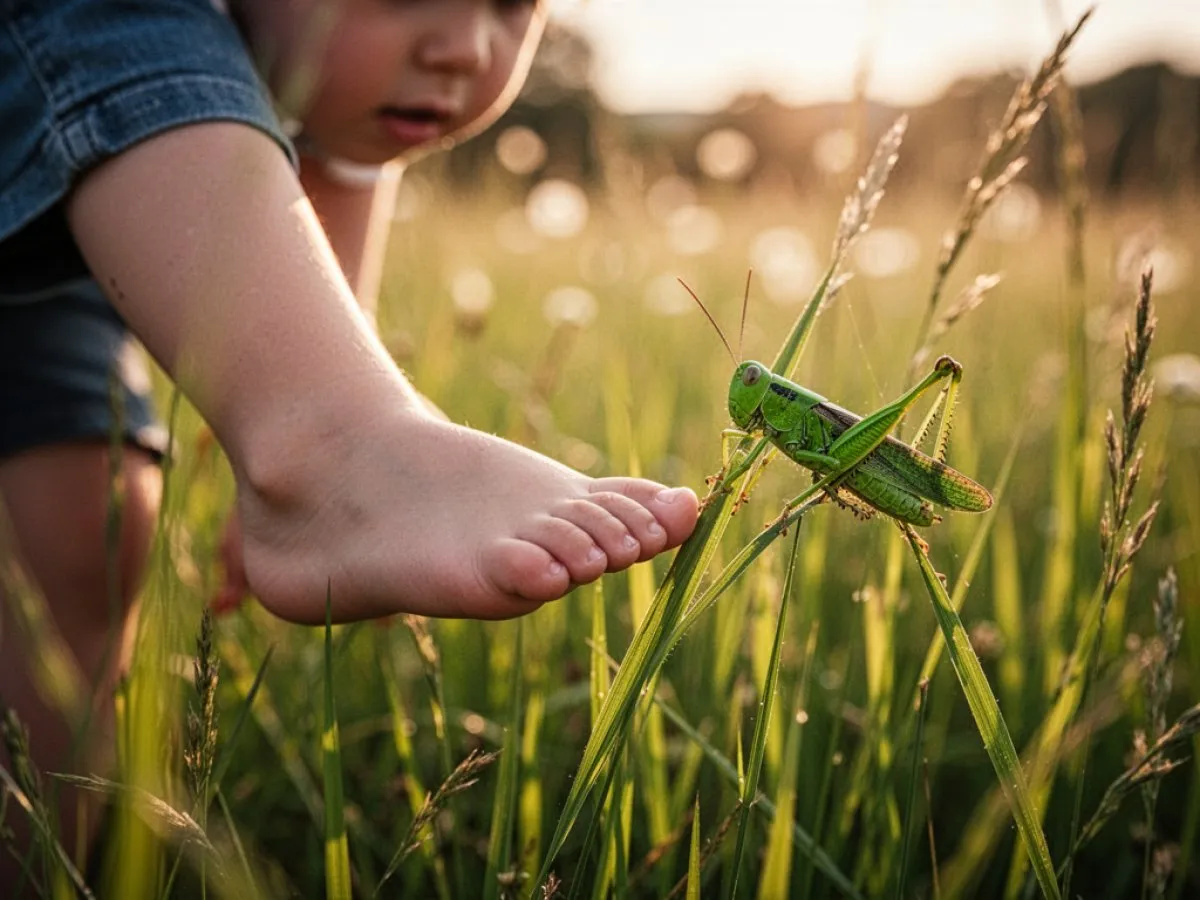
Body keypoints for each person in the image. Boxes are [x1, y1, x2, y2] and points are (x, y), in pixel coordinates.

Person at [0, 0, 699, 880]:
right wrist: (327, 454)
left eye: (512, 6)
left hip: (43, 272)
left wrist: (310, 436)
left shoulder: (349, 86)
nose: (462, 49)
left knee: (87, 540)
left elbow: (335, 207)